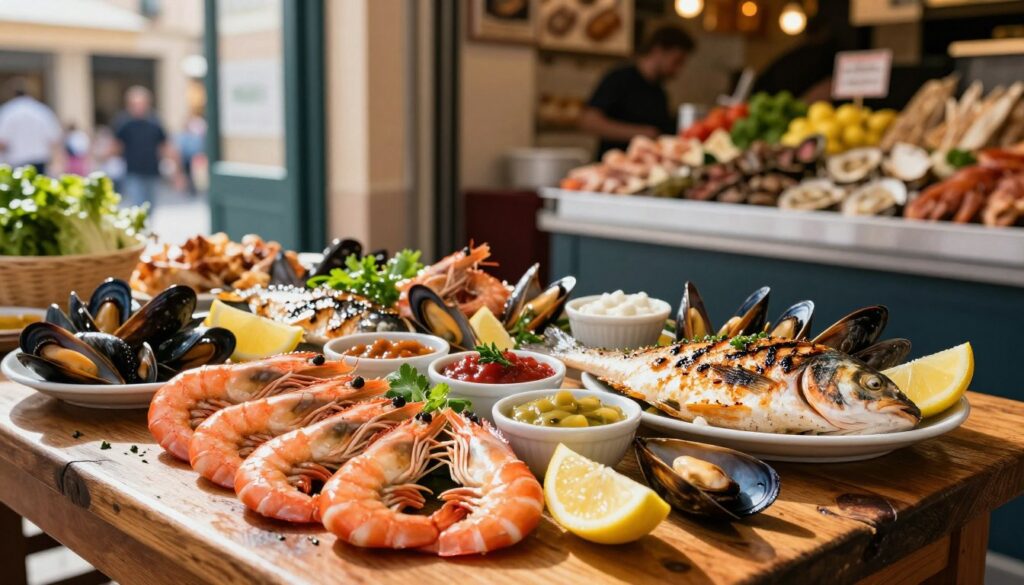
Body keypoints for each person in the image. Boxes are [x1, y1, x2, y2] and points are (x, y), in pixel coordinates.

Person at [580, 26, 696, 158]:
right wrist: (641, 134)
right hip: (612, 166)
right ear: (658, 51)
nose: (677, 70)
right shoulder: (619, 78)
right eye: (677, 61)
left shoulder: (660, 93)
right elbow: (589, 122)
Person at [114, 86, 171, 209]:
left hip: (152, 170)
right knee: (137, 204)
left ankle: (147, 227)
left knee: (150, 205)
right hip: (133, 171)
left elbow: (164, 145)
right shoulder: (124, 123)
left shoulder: (155, 122)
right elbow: (117, 145)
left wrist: (176, 172)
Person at [0, 78, 62, 173]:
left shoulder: (7, 112)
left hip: (16, 161)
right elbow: (54, 140)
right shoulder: (41, 110)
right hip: (39, 160)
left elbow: (2, 141)